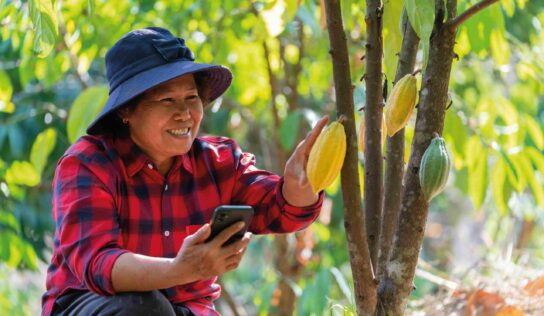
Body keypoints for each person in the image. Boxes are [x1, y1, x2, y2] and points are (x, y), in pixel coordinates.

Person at [41, 27, 328, 316]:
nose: (185, 113)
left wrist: (299, 185)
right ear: (125, 111)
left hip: (185, 310)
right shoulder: (89, 164)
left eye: (191, 98)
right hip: (92, 305)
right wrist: (182, 269)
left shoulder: (219, 161)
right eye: (167, 100)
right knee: (143, 307)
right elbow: (98, 265)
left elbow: (279, 208)